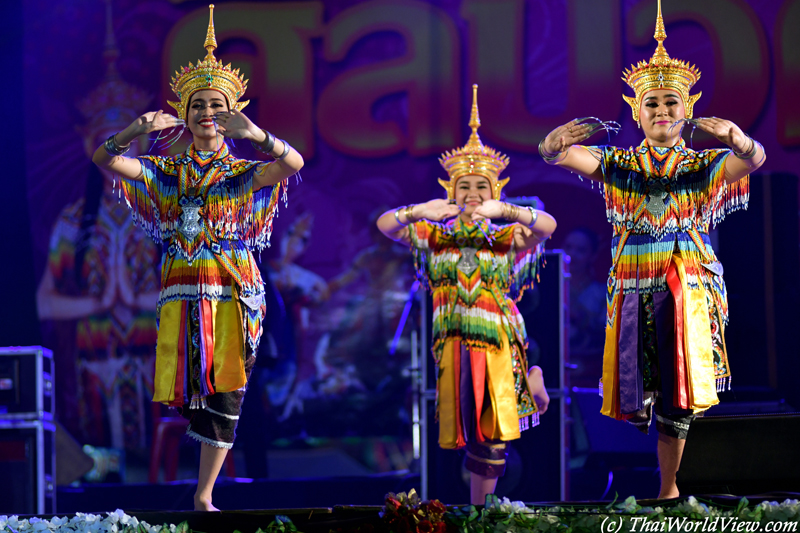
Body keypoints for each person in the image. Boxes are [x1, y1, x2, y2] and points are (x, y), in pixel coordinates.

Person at [539, 0, 765, 499]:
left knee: (680, 387)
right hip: (635, 283)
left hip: (686, 281)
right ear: (636, 111)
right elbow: (563, 156)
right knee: (645, 386)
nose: (661, 111)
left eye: (670, 103)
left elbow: (750, 163)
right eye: (652, 104)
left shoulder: (700, 164)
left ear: (686, 110)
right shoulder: (618, 162)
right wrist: (551, 144)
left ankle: (668, 487)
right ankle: (664, 480)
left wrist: (741, 141)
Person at [91, 4, 304, 510]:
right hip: (185, 291)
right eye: (199, 106)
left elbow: (292, 163)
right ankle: (200, 489)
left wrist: (256, 136)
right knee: (192, 390)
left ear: (230, 114)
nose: (208, 113)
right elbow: (104, 160)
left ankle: (204, 494)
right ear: (184, 115)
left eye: (217, 106)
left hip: (234, 289)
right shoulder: (164, 170)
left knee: (227, 390)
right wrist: (131, 130)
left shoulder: (242, 171)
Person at [377, 85, 557, 505]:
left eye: (482, 186)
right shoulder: (433, 235)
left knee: (492, 428)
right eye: (464, 187)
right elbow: (386, 226)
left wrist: (508, 212)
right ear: (450, 191)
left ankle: (482, 510)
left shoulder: (506, 236)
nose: (472, 194)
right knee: (468, 428)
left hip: (496, 335)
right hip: (452, 338)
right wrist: (419, 210)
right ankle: (528, 389)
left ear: (495, 190)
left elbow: (546, 226)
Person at [36, 0, 159, 461]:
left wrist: (138, 299)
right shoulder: (74, 219)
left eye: (124, 144)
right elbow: (43, 301)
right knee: (102, 478)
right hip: (95, 364)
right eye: (107, 145)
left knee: (159, 474)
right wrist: (98, 302)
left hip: (154, 363)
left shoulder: (163, 211)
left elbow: (194, 290)